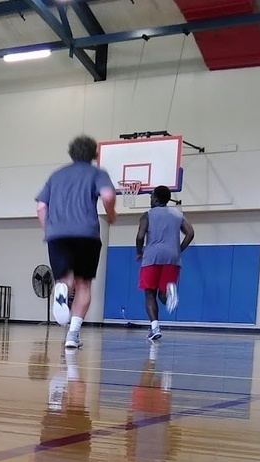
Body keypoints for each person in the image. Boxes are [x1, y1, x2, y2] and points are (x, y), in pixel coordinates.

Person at [35, 135, 117, 349]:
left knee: (65, 278)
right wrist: (112, 213)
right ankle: (73, 335)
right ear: (94, 154)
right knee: (84, 284)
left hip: (57, 234)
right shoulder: (97, 173)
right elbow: (107, 196)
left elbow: (40, 207)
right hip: (87, 233)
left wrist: (49, 229)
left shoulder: (56, 175)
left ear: (71, 152)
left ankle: (62, 289)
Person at [135, 185, 194, 341]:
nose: (150, 199)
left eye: (151, 196)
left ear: (155, 198)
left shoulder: (147, 215)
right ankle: (169, 292)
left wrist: (139, 251)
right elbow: (190, 233)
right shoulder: (178, 215)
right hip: (172, 257)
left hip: (152, 256)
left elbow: (140, 236)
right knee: (162, 295)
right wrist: (179, 249)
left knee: (149, 294)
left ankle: (155, 328)